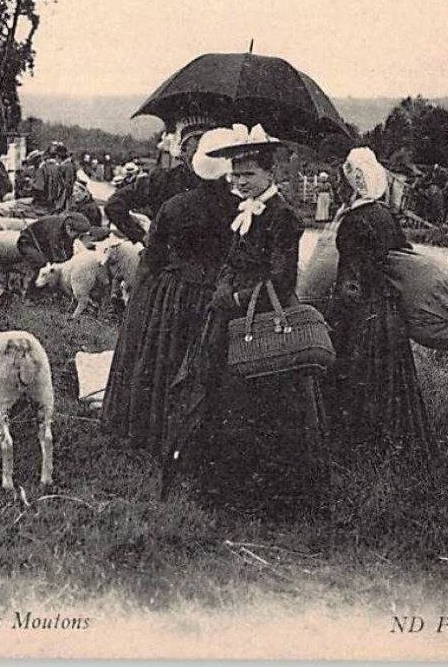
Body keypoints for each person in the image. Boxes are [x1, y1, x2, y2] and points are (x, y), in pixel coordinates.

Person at [163, 124, 326, 503]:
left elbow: (282, 278)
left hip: (261, 316)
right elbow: (232, 259)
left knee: (256, 402)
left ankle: (260, 492)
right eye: (235, 173)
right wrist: (222, 286)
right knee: (219, 396)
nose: (240, 180)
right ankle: (222, 484)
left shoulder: (283, 216)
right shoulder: (245, 209)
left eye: (249, 174)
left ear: (271, 173)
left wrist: (235, 298)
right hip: (229, 314)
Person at [102, 128, 238, 457]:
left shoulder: (174, 202)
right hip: (217, 291)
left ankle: (157, 430)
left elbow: (154, 252)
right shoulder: (238, 207)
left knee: (163, 355)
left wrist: (147, 242)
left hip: (174, 288)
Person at [325, 148, 436, 456]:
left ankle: (362, 447)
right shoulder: (384, 214)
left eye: (342, 182)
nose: (338, 187)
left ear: (353, 184)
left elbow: (351, 280)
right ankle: (396, 445)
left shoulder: (354, 221)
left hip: (362, 311)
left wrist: (332, 317)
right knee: (391, 376)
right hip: (387, 308)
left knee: (357, 374)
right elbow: (402, 254)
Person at [105, 119, 214, 242]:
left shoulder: (225, 183)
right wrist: (142, 237)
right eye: (194, 151)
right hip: (167, 256)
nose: (200, 159)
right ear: (182, 153)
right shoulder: (162, 180)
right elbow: (114, 204)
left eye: (207, 152)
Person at [16, 211, 100, 272]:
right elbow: (57, 259)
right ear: (68, 229)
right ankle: (34, 291)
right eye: (77, 235)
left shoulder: (67, 227)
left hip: (44, 242)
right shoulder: (55, 233)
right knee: (44, 266)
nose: (78, 238)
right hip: (28, 241)